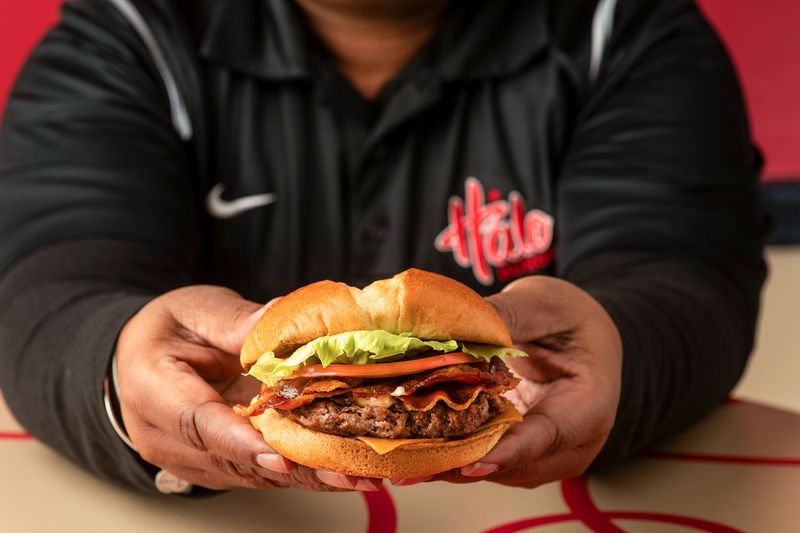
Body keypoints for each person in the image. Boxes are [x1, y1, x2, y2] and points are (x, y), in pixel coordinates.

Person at [0, 0, 766, 494]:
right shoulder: (128, 34)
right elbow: (48, 280)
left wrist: (622, 346)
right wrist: (115, 362)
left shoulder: (627, 29)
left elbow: (686, 274)